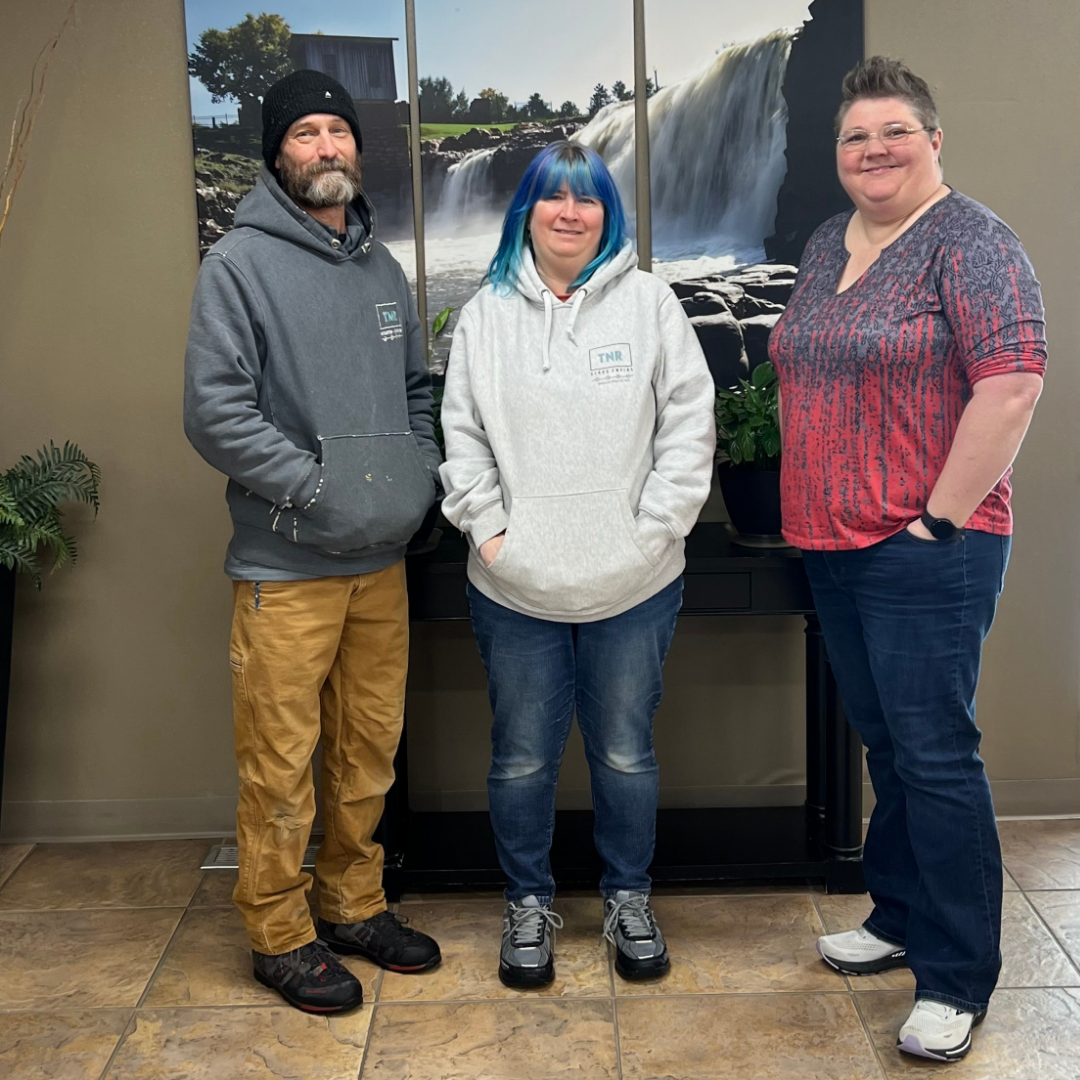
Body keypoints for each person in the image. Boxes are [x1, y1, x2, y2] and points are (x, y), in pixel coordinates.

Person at [770, 57, 1046, 1062]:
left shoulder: (972, 241)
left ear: (934, 140)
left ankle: (958, 975)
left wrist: (935, 518)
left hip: (925, 545)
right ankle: (896, 917)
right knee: (888, 744)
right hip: (831, 540)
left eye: (893, 131)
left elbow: (1011, 385)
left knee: (934, 758)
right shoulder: (823, 241)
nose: (873, 150)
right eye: (854, 137)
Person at [184, 69, 443, 1014]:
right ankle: (280, 933)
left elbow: (418, 391)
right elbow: (214, 413)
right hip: (285, 568)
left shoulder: (382, 269)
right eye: (306, 134)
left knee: (366, 751)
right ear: (277, 154)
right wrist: (317, 489)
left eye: (339, 130)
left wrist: (413, 477)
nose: (327, 147)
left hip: (380, 566)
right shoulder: (238, 266)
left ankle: (353, 905)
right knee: (281, 761)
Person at [439, 142, 716, 989]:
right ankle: (529, 904)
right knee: (521, 757)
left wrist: (652, 532)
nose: (570, 212)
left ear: (608, 213)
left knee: (626, 754)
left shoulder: (651, 304)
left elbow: (689, 424)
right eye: (552, 198)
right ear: (527, 209)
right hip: (514, 586)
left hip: (633, 585)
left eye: (587, 199)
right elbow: (462, 437)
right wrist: (491, 535)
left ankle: (629, 898)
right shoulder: (483, 314)